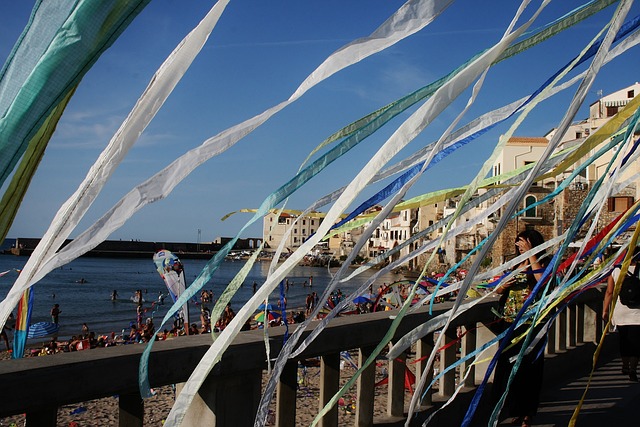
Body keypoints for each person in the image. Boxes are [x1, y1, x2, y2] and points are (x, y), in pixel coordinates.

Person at [493, 229, 549, 427]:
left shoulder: (544, 261)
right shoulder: (514, 263)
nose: (519, 247)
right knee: (508, 370)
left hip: (532, 325)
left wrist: (531, 253)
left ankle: (528, 413)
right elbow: (497, 289)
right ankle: (514, 409)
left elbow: (542, 280)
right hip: (510, 323)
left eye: (522, 243)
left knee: (530, 371)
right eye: (518, 244)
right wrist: (503, 285)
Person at [603, 246, 640, 382]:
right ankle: (633, 369)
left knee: (624, 340)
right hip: (637, 313)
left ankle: (625, 365)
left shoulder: (616, 271)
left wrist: (605, 310)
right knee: (636, 343)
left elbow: (609, 292)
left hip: (620, 312)